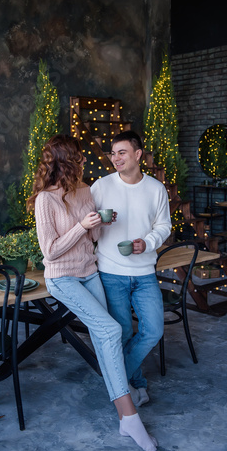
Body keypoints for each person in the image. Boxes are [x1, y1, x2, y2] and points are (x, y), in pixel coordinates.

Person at [27, 134, 158, 451]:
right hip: (63, 278)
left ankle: (124, 410)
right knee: (112, 329)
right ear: (66, 162)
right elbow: (52, 252)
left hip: (89, 271)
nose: (85, 161)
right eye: (79, 158)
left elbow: (94, 237)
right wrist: (81, 226)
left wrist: (99, 221)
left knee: (107, 337)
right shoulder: (46, 199)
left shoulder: (85, 191)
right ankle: (129, 416)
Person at [91, 131, 171, 407]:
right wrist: (98, 223)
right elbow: (88, 225)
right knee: (123, 332)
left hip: (145, 272)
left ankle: (117, 377)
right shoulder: (100, 186)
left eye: (121, 152)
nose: (115, 158)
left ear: (138, 155)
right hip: (110, 272)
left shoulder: (156, 189)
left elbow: (164, 227)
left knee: (154, 329)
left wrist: (146, 243)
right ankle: (135, 384)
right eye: (112, 153)